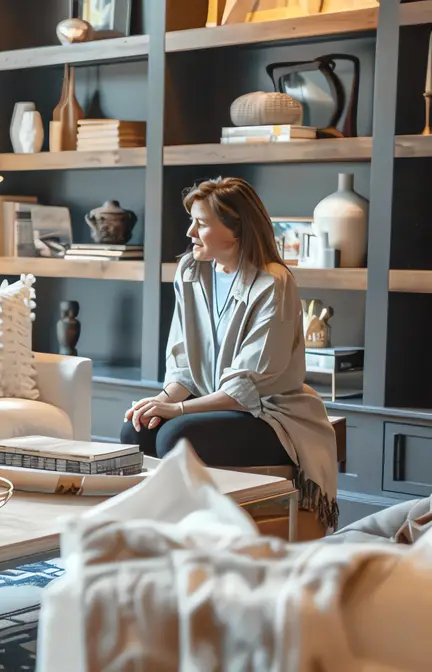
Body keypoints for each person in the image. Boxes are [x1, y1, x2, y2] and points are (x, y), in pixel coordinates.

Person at [121, 176, 339, 530]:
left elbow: (245, 390)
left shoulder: (273, 283)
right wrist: (158, 401)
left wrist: (174, 409)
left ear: (236, 229)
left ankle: (200, 534)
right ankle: (159, 535)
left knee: (176, 436)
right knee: (136, 431)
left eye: (201, 223)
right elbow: (184, 369)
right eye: (191, 221)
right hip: (214, 405)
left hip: (271, 416)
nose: (190, 232)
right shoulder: (191, 272)